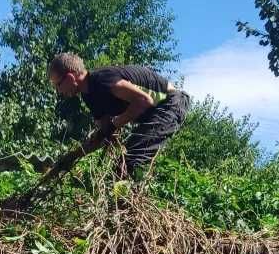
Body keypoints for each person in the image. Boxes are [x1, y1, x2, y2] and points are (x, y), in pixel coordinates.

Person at [48, 53, 190, 176]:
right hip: (155, 111)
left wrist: (115, 123)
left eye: (58, 85)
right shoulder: (88, 96)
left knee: (131, 161)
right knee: (124, 164)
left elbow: (143, 100)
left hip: (171, 103)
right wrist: (70, 158)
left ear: (70, 77)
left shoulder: (102, 79)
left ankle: (133, 202)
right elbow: (104, 133)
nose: (58, 91)